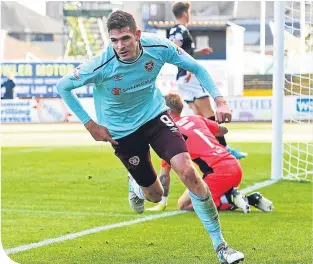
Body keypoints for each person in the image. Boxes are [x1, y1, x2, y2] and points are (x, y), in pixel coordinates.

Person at [56, 10, 244, 264]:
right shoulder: (100, 64)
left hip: (155, 117)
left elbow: (196, 67)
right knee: (154, 195)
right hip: (122, 131)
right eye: (114, 40)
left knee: (188, 172)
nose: (120, 46)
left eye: (125, 38)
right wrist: (90, 125)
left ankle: (221, 246)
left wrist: (220, 100)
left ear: (138, 35)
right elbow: (63, 87)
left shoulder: (159, 47)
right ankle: (136, 182)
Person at [146, 94, 274, 213]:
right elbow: (223, 130)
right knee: (195, 194)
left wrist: (162, 203)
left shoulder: (170, 135)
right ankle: (240, 196)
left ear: (167, 112)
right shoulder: (195, 118)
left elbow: (164, 176)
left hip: (218, 173)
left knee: (185, 205)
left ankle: (233, 199)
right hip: (233, 165)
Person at [169, 2, 247, 159]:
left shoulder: (173, 30)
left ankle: (208, 148)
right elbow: (176, 50)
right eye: (189, 11)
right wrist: (190, 68)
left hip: (181, 78)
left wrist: (197, 52)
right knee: (209, 113)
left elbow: (179, 51)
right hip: (189, 76)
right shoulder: (181, 30)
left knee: (199, 115)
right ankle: (225, 149)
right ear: (185, 13)